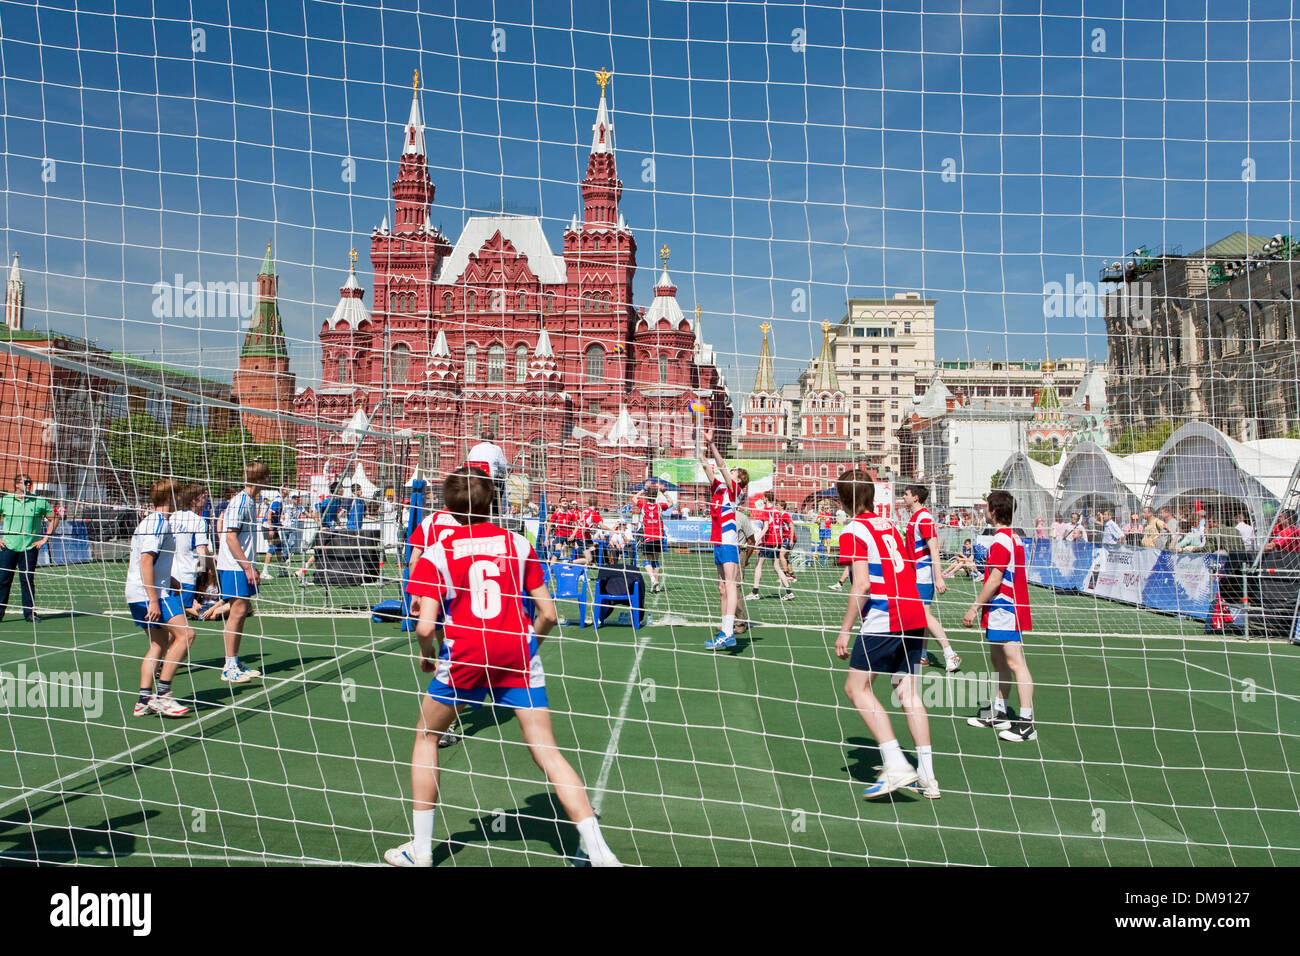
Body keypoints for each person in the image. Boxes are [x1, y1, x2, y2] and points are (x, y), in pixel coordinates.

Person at [387, 468, 620, 867]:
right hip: (517, 654)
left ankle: (421, 849)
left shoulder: (436, 554)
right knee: (547, 751)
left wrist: (427, 653)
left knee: (426, 737)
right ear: (494, 501)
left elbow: (425, 625)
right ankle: (600, 852)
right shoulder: (517, 543)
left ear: (446, 508)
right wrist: (528, 649)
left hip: (466, 655)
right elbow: (546, 612)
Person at [834, 469, 936, 799]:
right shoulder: (888, 525)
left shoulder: (852, 530)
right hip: (914, 613)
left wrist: (845, 630)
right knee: (908, 694)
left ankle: (896, 763)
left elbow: (861, 584)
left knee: (856, 688)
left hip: (884, 619)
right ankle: (927, 776)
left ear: (842, 500)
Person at [963, 490, 1036, 743]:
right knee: (998, 660)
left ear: (993, 511)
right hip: (1000, 609)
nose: (984, 511)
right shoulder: (1011, 538)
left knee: (1015, 662)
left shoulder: (1003, 541)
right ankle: (1000, 711)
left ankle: (1026, 723)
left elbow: (995, 579)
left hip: (1005, 608)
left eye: (986, 507)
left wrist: (974, 607)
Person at [126, 478, 195, 718]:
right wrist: (153, 599)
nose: (181, 500)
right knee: (186, 635)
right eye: (177, 495)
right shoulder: (157, 522)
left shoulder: (151, 521)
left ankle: (143, 699)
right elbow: (146, 559)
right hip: (151, 593)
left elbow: (145, 560)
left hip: (139, 591)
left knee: (159, 643)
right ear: (168, 498)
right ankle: (163, 695)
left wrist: (171, 580)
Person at [216, 462, 270, 683]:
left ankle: (235, 661)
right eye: (267, 478)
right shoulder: (240, 501)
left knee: (242, 611)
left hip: (241, 564)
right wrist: (246, 566)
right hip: (233, 566)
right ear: (261, 480)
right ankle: (229, 666)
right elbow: (230, 537)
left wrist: (251, 564)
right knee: (237, 613)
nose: (269, 482)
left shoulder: (249, 501)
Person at [902, 485, 961, 673]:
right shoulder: (915, 517)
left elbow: (934, 549)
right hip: (915, 572)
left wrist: (939, 577)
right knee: (921, 614)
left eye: (906, 494)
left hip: (923, 573)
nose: (903, 497)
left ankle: (950, 653)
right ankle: (923, 653)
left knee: (924, 615)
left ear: (916, 498)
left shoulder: (925, 518)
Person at [701, 427, 746, 649]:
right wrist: (697, 442)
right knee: (721, 588)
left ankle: (729, 631)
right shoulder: (719, 491)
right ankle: (725, 630)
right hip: (717, 541)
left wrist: (711, 445)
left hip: (729, 540)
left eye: (734, 472)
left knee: (730, 585)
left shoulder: (735, 490)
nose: (730, 473)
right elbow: (706, 467)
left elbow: (720, 466)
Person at [0, 473, 58, 624]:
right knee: (3, 580)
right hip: (9, 546)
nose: (28, 485)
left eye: (30, 483)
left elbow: (54, 518)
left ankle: (30, 614)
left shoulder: (38, 501)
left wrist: (45, 539)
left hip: (29, 548)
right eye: (25, 483)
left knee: (27, 580)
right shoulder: (5, 500)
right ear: (17, 484)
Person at [170, 483, 211, 620]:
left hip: (168, 574)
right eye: (204, 497)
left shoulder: (172, 517)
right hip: (185, 575)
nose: (206, 500)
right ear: (194, 500)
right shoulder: (198, 521)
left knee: (169, 613)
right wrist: (205, 569)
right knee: (178, 616)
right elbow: (201, 549)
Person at [750, 496, 794, 602]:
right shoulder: (776, 512)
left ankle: (755, 592)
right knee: (776, 566)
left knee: (758, 565)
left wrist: (757, 540)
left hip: (769, 541)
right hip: (777, 541)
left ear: (766, 499)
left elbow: (765, 527)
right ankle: (789, 592)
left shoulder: (767, 511)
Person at [632, 482, 670, 593]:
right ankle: (656, 586)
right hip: (658, 538)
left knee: (646, 562)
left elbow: (634, 498)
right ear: (656, 496)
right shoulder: (659, 506)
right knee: (655, 562)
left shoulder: (643, 506)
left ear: (647, 496)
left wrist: (643, 489)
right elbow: (671, 503)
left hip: (648, 537)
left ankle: (653, 579)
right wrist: (665, 493)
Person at [260, 487, 287, 578]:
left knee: (279, 546)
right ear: (283, 491)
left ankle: (281, 569)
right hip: (268, 526)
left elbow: (275, 515)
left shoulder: (280, 500)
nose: (289, 491)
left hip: (273, 526)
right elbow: (269, 513)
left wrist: (279, 524)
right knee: (272, 547)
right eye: (287, 489)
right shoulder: (278, 500)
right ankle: (264, 572)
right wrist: (271, 528)